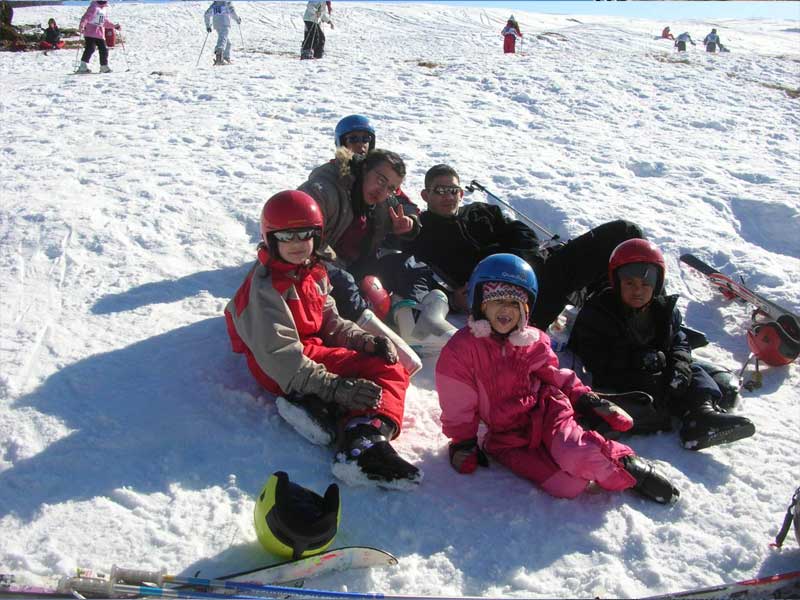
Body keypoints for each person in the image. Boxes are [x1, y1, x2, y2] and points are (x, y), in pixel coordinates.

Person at [435, 253, 680, 504]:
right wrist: (463, 441)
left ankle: (629, 467)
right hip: (506, 437)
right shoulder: (461, 351)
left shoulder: (532, 341)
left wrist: (584, 397)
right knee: (568, 485)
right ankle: (581, 453)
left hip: (547, 410)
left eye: (515, 303)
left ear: (525, 310)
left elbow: (554, 375)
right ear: (480, 303)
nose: (506, 309)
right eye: (497, 300)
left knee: (576, 455)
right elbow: (458, 403)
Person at [225, 190, 422, 488]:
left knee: (381, 360)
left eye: (304, 234)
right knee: (389, 372)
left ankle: (324, 413)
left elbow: (330, 321)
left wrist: (364, 341)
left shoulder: (313, 272)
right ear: (270, 238)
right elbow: (281, 357)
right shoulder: (264, 290)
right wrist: (334, 386)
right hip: (282, 366)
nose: (296, 244)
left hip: (308, 351)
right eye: (286, 236)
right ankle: (360, 445)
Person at [403, 164, 644, 331]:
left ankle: (646, 314)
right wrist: (454, 300)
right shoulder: (422, 232)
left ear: (461, 193)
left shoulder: (481, 212)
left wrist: (523, 262)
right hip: (514, 294)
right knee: (623, 231)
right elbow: (419, 276)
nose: (448, 196)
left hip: (541, 267)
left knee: (626, 244)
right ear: (425, 194)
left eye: (453, 190)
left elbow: (523, 233)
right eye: (440, 191)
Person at [568, 239, 756, 451]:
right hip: (621, 377)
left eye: (645, 285)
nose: (637, 291)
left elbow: (679, 341)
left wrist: (679, 367)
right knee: (651, 392)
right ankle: (678, 412)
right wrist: (637, 359)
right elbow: (592, 356)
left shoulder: (663, 311)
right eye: (630, 283)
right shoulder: (599, 312)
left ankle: (702, 414)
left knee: (693, 371)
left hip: (657, 368)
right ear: (617, 281)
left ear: (656, 285)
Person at [77, 0, 120, 74]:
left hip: (99, 34)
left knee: (104, 49)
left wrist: (114, 26)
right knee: (90, 48)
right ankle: (83, 66)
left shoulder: (104, 9)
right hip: (90, 32)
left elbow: (104, 22)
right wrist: (82, 25)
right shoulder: (94, 7)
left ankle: (104, 66)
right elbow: (86, 17)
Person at [204, 1, 241, 66]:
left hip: (217, 25)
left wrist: (208, 25)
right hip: (224, 23)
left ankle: (226, 58)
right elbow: (232, 12)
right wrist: (238, 20)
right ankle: (219, 57)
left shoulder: (215, 4)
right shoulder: (227, 2)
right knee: (223, 40)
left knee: (228, 43)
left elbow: (207, 14)